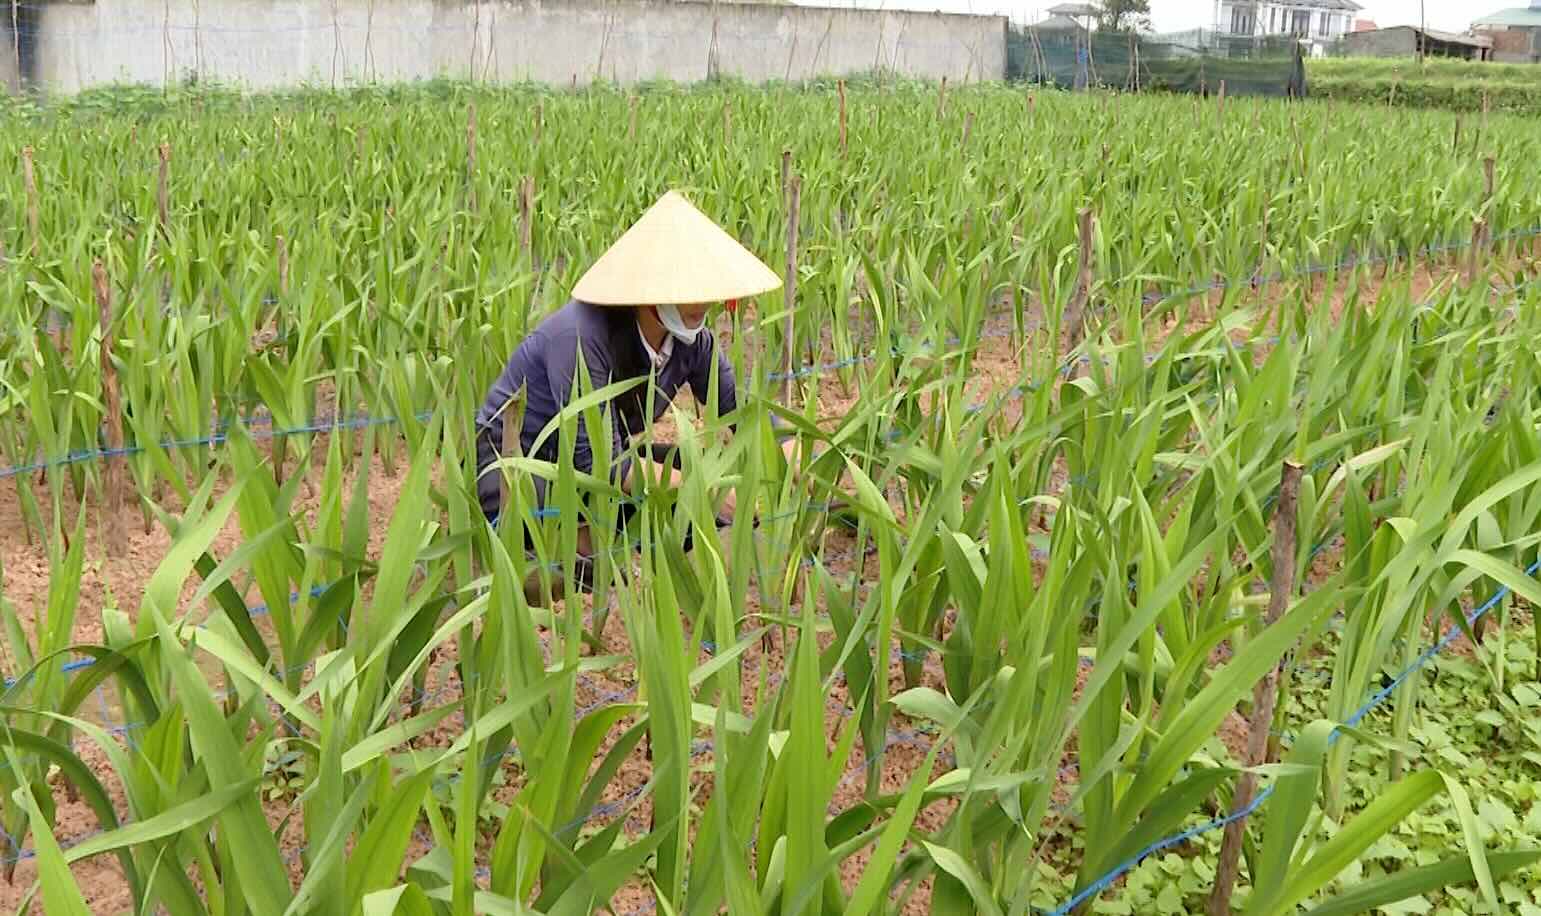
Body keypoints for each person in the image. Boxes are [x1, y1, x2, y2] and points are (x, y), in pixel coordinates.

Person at [474, 189, 788, 601]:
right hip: (525, 468)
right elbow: (598, 463)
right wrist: (705, 493)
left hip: (602, 465)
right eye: (683, 288)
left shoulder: (694, 342)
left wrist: (787, 454)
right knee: (592, 559)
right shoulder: (582, 336)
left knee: (696, 474)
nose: (701, 303)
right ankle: (563, 553)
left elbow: (742, 415)